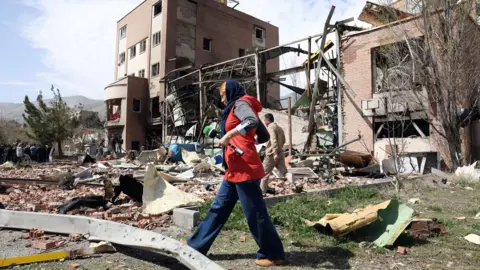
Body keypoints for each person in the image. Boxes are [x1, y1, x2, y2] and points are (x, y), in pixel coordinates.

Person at [186, 80, 286, 267]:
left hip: (245, 168)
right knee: (218, 209)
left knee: (255, 213)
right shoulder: (235, 107)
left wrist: (230, 136)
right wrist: (243, 140)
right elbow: (261, 135)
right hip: (234, 168)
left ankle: (273, 254)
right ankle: (196, 245)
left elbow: (252, 122)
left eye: (223, 95)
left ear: (231, 92)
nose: (222, 100)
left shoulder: (241, 103)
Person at [260, 113, 288, 195]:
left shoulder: (271, 127)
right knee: (284, 172)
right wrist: (278, 150)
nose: (264, 122)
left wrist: (275, 152)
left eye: (264, 120)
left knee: (264, 174)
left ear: (267, 120)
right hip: (280, 152)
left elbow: (273, 140)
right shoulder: (279, 128)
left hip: (272, 154)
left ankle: (262, 193)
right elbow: (284, 140)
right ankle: (295, 185)